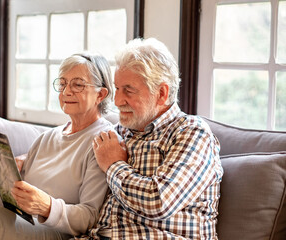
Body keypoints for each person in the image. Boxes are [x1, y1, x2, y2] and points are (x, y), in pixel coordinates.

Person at [0, 52, 115, 240]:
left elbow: (90, 217)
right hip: (26, 227)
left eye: (77, 84)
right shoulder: (46, 138)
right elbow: (13, 208)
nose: (67, 91)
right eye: (62, 83)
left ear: (100, 94)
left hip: (60, 234)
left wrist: (47, 207)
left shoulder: (102, 142)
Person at [88, 38, 223, 239]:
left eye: (129, 90)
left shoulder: (192, 133)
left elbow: (159, 201)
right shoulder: (120, 132)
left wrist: (114, 164)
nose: (117, 101)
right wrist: (29, 160)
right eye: (117, 88)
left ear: (161, 93)